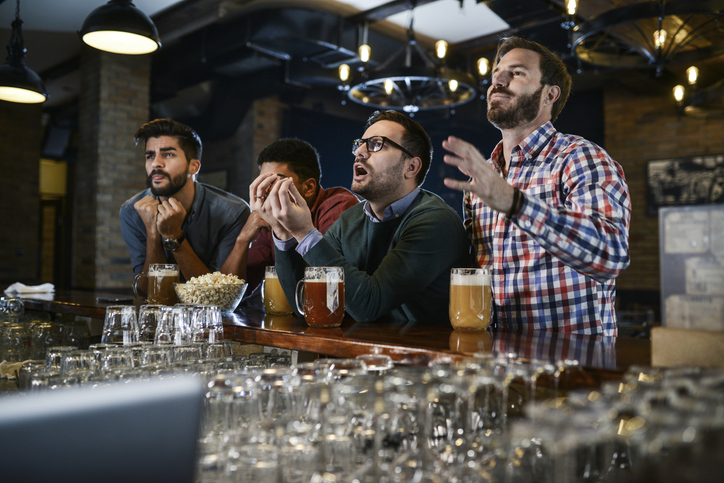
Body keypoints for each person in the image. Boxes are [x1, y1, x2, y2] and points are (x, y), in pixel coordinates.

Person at [442, 37, 631, 337]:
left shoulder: (579, 157)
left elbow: (611, 254)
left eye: (516, 73)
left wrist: (515, 203)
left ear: (549, 94)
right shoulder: (484, 177)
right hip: (496, 363)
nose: (498, 82)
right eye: (496, 75)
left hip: (572, 369)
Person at [249, 110, 472, 323]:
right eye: (360, 144)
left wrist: (304, 232)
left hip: (427, 358)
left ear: (411, 167)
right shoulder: (350, 220)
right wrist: (282, 232)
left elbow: (369, 305)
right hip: (366, 357)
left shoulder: (434, 221)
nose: (360, 152)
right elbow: (310, 305)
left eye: (377, 145)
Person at [220, 138, 359, 296]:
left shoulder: (338, 206)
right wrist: (243, 239)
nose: (264, 191)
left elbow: (327, 286)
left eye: (273, 182)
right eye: (262, 182)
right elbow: (226, 294)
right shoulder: (272, 218)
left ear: (309, 187)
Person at [120, 118, 250, 281]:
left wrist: (173, 236)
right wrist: (153, 234)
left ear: (193, 166)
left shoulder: (233, 213)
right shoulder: (132, 210)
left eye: (168, 154)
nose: (156, 163)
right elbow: (147, 292)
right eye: (150, 156)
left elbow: (217, 295)